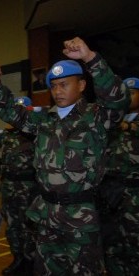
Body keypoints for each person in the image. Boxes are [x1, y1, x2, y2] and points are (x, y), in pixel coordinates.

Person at [0, 36, 130, 275]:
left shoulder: (96, 117)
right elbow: (9, 111)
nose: (58, 91)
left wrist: (90, 58)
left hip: (81, 217)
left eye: (65, 84)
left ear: (82, 85)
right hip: (47, 214)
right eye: (54, 85)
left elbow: (117, 99)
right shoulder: (44, 122)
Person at [100, 77, 139, 275]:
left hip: (134, 195)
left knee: (134, 246)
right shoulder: (111, 122)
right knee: (112, 245)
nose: (127, 98)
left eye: (132, 93)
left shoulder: (125, 125)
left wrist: (129, 127)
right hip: (110, 194)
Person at [0, 96, 36, 276]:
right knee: (12, 227)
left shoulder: (36, 134)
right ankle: (18, 259)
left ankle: (31, 262)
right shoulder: (6, 135)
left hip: (28, 188)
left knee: (29, 227)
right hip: (8, 188)